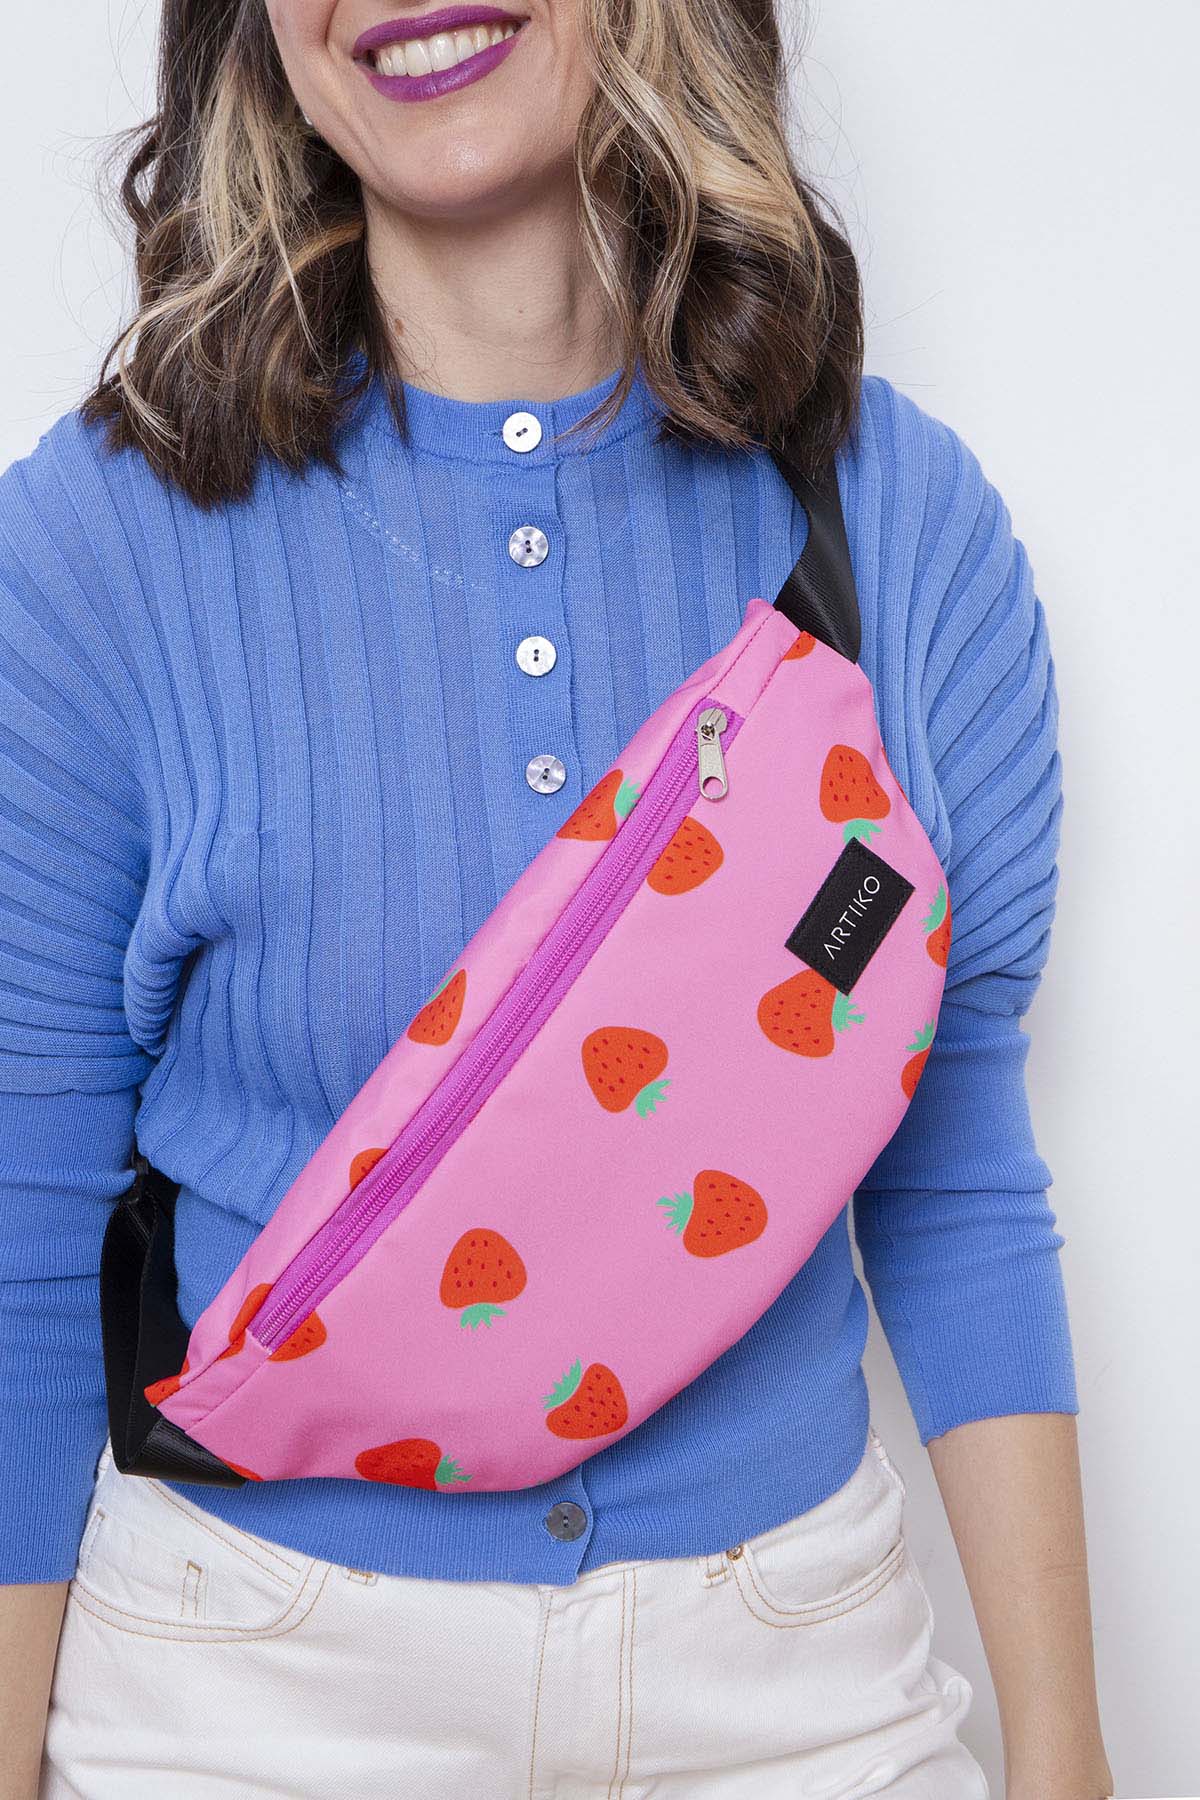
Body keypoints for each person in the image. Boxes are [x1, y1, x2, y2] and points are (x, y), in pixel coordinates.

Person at [0, 2, 1114, 1795]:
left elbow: (955, 1154)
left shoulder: (897, 521)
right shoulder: (94, 550)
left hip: (800, 1681)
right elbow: (23, 1223)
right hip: (252, 1696)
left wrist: (1066, 1757)